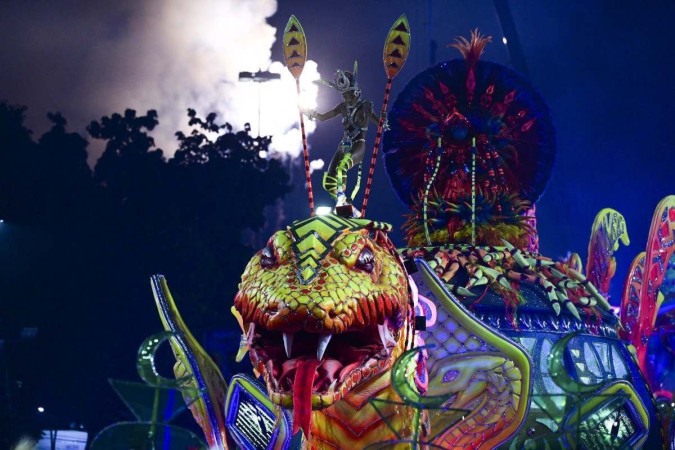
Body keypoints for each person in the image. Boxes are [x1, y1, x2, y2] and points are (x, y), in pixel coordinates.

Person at [302, 64, 385, 206]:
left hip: (358, 144)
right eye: (344, 95)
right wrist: (310, 112)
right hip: (344, 145)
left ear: (356, 92)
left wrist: (383, 120)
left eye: (349, 95)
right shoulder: (342, 107)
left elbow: (378, 122)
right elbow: (322, 117)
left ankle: (342, 200)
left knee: (342, 168)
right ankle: (342, 202)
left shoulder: (364, 105)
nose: (347, 99)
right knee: (329, 182)